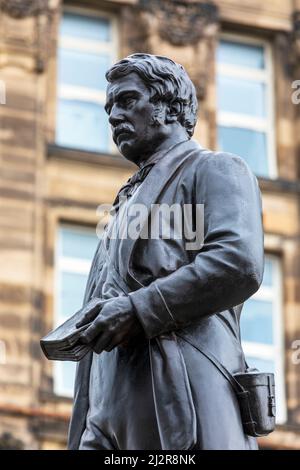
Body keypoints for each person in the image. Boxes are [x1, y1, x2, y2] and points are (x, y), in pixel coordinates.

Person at [68, 53, 264, 450]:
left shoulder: (215, 169)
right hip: (105, 411)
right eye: (109, 107)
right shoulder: (122, 205)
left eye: (126, 101)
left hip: (179, 393)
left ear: (169, 107)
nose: (112, 116)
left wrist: (137, 310)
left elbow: (238, 262)